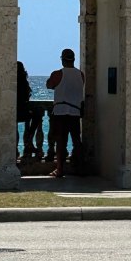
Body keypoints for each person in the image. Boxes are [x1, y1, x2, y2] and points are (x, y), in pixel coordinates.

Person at [46, 48, 84, 178]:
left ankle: (60, 169)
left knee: (61, 141)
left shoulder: (57, 74)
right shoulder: (81, 75)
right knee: (76, 141)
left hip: (61, 112)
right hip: (75, 112)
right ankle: (80, 168)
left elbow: (49, 85)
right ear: (73, 59)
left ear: (62, 59)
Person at [16, 61, 32, 160]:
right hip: (23, 110)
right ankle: (28, 145)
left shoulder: (13, 82)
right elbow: (27, 96)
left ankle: (16, 151)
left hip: (16, 111)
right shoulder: (24, 82)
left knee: (15, 130)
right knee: (34, 118)